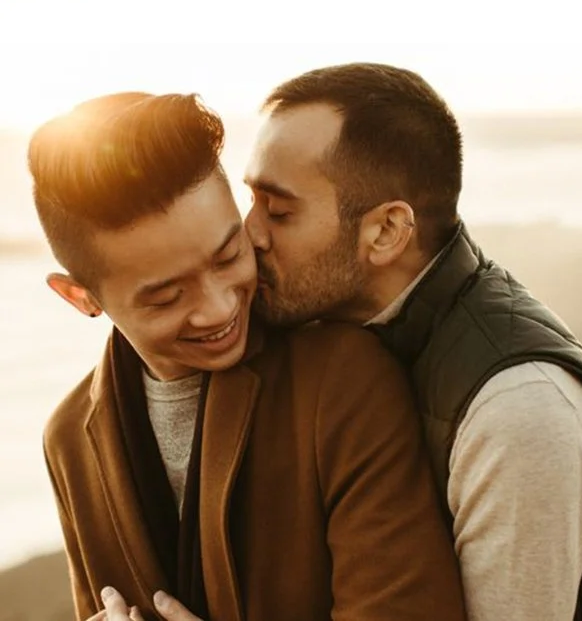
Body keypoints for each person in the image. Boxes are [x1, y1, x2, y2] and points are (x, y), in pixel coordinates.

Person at [28, 91, 465, 621]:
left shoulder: (342, 378)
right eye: (167, 296)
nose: (216, 309)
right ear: (81, 298)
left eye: (229, 254)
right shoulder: (71, 436)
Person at [239, 63, 582, 620]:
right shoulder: (331, 329)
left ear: (388, 231)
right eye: (250, 199)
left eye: (278, 211)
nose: (249, 232)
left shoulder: (519, 413)